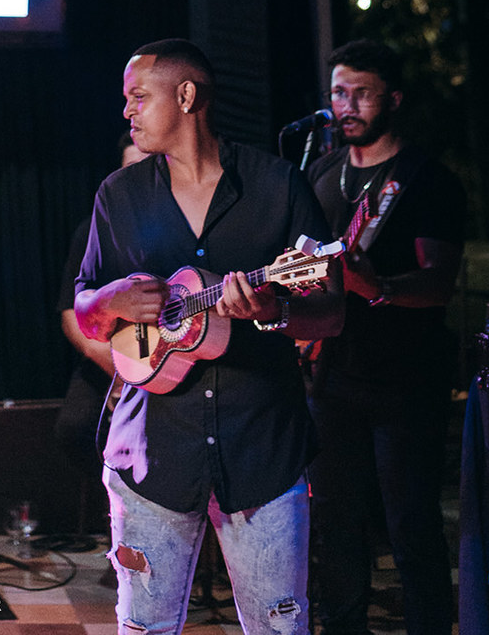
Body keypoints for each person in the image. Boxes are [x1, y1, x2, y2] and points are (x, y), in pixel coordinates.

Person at [74, 39, 343, 635]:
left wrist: (274, 312)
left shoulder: (278, 186)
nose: (127, 111)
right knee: (142, 627)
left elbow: (330, 312)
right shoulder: (118, 195)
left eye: (138, 96)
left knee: (280, 630)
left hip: (262, 453)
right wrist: (109, 300)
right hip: (151, 457)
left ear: (186, 95)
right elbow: (85, 307)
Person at [306, 38, 465, 635]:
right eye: (338, 93)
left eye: (362, 93)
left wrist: (378, 287)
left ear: (392, 99)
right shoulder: (322, 176)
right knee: (337, 525)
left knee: (410, 525)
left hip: (407, 379)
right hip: (334, 376)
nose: (346, 105)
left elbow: (438, 283)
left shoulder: (428, 180)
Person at [54, 140, 144, 531]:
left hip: (175, 359)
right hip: (111, 363)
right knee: (76, 428)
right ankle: (122, 513)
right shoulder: (92, 232)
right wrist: (118, 369)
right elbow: (71, 315)